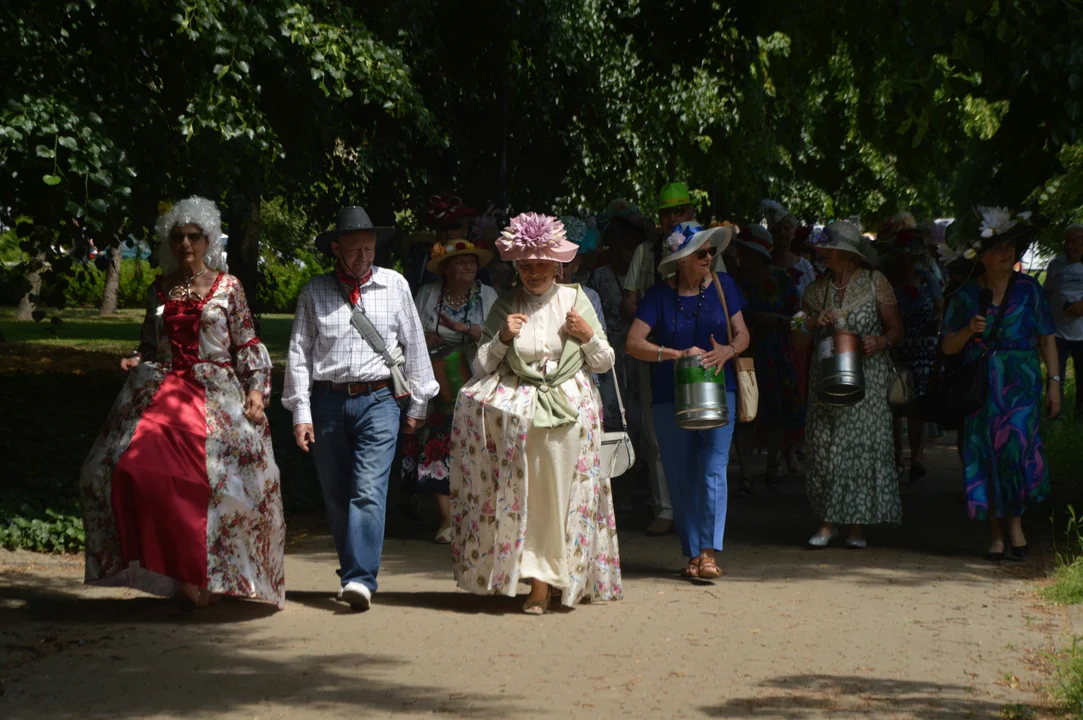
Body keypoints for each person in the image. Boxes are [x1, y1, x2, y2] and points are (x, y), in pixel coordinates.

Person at [79, 196, 284, 609]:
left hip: (216, 393)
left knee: (220, 481)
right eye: (178, 237)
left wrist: (257, 390)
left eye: (194, 236)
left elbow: (247, 343)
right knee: (122, 469)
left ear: (208, 240)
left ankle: (207, 574)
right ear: (168, 242)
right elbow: (149, 345)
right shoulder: (159, 285)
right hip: (164, 392)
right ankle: (176, 570)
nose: (186, 244)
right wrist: (135, 359)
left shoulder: (229, 287)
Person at [449, 213, 621, 615]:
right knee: (531, 499)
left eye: (542, 264)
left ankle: (568, 578)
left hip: (571, 415)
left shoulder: (576, 299)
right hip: (522, 419)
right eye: (526, 265)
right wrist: (503, 337)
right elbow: (481, 367)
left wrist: (588, 335)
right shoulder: (507, 305)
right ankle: (539, 585)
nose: (534, 272)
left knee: (566, 497)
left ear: (557, 264)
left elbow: (605, 361)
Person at [283, 206, 439, 612]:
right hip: (327, 401)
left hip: (380, 400)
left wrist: (419, 403)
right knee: (337, 494)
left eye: (369, 250)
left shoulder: (396, 285)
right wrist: (301, 412)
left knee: (369, 488)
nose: (363, 258)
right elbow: (298, 354)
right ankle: (353, 568)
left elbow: (415, 346)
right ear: (336, 249)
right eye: (354, 251)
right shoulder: (314, 292)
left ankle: (359, 579)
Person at [625, 221, 748, 578]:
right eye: (701, 252)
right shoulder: (658, 296)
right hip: (670, 396)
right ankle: (693, 553)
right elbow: (633, 343)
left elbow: (743, 335)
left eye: (711, 251)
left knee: (713, 470)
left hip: (719, 391)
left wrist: (727, 350)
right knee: (680, 476)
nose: (708, 257)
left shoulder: (725, 287)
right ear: (681, 259)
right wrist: (673, 354)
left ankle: (708, 554)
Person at [942, 208, 1060, 561]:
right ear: (982, 258)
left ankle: (1016, 526)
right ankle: (995, 534)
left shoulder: (1029, 290)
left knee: (1016, 451)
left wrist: (1054, 383)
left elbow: (1048, 337)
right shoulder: (965, 296)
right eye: (996, 249)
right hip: (981, 386)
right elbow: (947, 346)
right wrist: (968, 331)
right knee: (984, 454)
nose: (1005, 253)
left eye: (1009, 247)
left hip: (1021, 383)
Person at [794, 221, 904, 549]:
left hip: (867, 379)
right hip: (825, 378)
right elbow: (797, 337)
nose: (823, 256)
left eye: (828, 251)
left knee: (857, 450)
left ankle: (856, 527)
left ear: (846, 255)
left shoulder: (874, 284)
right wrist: (812, 322)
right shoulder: (816, 289)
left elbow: (897, 327)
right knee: (823, 448)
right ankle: (826, 524)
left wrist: (880, 342)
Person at [621, 183, 708, 536]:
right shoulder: (646, 251)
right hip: (655, 353)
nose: (672, 218)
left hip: (700, 355)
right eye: (666, 213)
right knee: (658, 434)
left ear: (691, 213)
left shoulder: (706, 248)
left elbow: (719, 296)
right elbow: (628, 299)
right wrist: (649, 323)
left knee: (703, 428)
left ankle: (700, 510)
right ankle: (665, 508)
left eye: (679, 211)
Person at [407, 238, 498, 543]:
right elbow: (408, 333)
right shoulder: (428, 294)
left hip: (479, 382)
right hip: (438, 384)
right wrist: (426, 336)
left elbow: (501, 336)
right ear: (445, 269)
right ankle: (446, 522)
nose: (469, 266)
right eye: (461, 262)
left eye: (472, 262)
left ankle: (477, 518)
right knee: (437, 450)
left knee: (477, 449)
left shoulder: (487, 295)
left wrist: (466, 330)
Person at [732, 225, 804, 494]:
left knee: (775, 412)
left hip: (777, 355)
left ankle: (773, 464)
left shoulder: (783, 281)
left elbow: (798, 319)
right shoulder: (736, 282)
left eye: (746, 251)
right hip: (745, 356)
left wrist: (773, 321)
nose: (741, 256)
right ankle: (746, 473)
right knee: (745, 414)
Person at [887, 228, 944, 482]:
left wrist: (934, 325)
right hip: (898, 348)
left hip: (923, 349)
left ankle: (917, 458)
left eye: (913, 255)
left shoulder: (928, 278)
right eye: (905, 255)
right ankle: (898, 458)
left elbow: (940, 308)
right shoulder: (888, 283)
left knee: (918, 405)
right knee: (898, 403)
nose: (909, 260)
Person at [1043, 223, 1083, 418]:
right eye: (1067, 241)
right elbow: (1047, 294)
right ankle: (1053, 417)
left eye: (1075, 240)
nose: (1070, 245)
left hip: (1082, 334)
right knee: (1055, 376)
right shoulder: (1056, 265)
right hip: (1057, 332)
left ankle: (1079, 422)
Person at [763, 199, 816, 299]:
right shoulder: (763, 263)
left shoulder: (804, 267)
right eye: (777, 229)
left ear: (793, 233)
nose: (782, 232)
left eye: (786, 229)